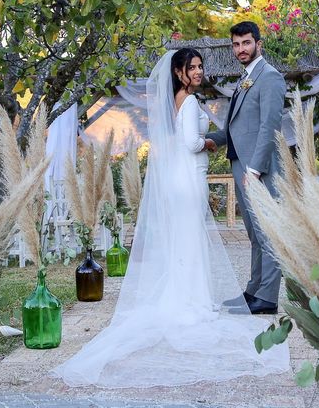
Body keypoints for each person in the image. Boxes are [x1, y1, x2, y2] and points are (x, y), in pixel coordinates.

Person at [51, 48, 289, 387]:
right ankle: (190, 301)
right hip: (190, 177)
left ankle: (185, 296)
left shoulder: (175, 100)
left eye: (199, 66)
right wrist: (208, 142)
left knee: (184, 238)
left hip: (179, 178)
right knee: (190, 239)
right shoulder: (190, 102)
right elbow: (191, 143)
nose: (197, 71)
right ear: (178, 73)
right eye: (191, 67)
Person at [206, 21, 287, 315]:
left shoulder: (270, 77)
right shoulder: (245, 80)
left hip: (258, 169)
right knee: (254, 232)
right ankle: (254, 290)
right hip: (241, 164)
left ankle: (267, 298)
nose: (241, 49)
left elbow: (269, 127)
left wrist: (255, 170)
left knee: (268, 232)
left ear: (258, 44)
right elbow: (234, 128)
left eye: (246, 43)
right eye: (236, 44)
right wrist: (205, 141)